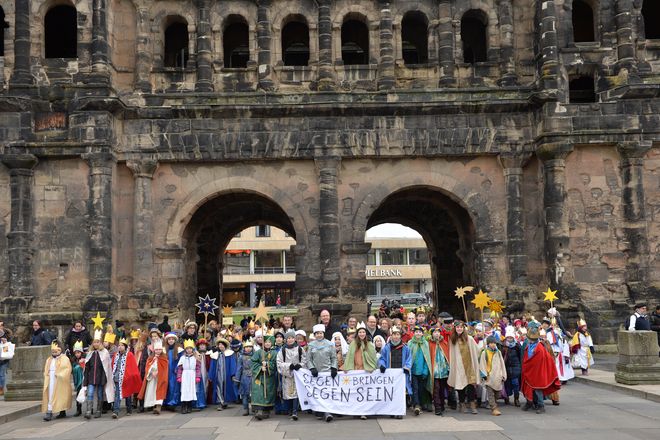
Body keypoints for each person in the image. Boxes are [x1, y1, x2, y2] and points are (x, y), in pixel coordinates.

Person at [521, 322, 561, 414]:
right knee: (528, 388)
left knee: (538, 389)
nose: (530, 340)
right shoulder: (528, 346)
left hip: (538, 372)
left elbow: (540, 361)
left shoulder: (540, 348)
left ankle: (541, 405)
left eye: (532, 339)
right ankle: (529, 402)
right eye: (530, 338)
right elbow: (526, 358)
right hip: (529, 371)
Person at [448, 321, 481, 414]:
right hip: (458, 365)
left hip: (469, 364)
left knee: (470, 385)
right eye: (457, 327)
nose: (459, 329)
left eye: (461, 327)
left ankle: (472, 403)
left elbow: (476, 350)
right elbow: (451, 353)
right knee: (460, 385)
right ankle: (462, 403)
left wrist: (483, 351)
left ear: (463, 328)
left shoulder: (469, 339)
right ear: (455, 328)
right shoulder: (452, 340)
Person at [306, 324, 338, 422]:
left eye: (320, 333)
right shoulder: (311, 345)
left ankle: (328, 412)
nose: (319, 335)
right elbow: (308, 359)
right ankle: (319, 410)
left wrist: (334, 368)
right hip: (317, 374)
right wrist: (312, 368)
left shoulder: (330, 344)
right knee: (318, 393)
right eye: (317, 333)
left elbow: (334, 358)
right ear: (314, 335)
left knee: (327, 393)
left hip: (327, 372)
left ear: (323, 333)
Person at [378, 326, 411, 419]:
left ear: (400, 336)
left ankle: (399, 411)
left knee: (400, 393)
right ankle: (392, 410)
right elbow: (382, 358)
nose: (396, 336)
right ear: (391, 336)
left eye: (397, 334)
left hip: (400, 375)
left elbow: (409, 359)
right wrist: (382, 365)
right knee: (391, 393)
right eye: (394, 334)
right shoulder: (387, 347)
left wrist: (406, 367)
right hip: (391, 374)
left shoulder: (405, 348)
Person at [277, 330, 307, 421]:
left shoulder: (299, 349)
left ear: (295, 339)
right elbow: (279, 363)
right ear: (286, 339)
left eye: (292, 338)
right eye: (288, 338)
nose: (290, 340)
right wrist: (289, 366)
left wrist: (300, 366)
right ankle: (290, 410)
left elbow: (304, 360)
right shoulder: (282, 350)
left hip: (297, 375)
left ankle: (295, 411)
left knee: (296, 393)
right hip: (287, 375)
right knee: (288, 393)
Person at [84, 329, 114, 419]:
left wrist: (104, 378)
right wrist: (85, 379)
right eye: (94, 342)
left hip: (100, 377)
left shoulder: (105, 353)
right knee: (90, 393)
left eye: (97, 342)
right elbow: (87, 367)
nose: (96, 344)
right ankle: (89, 410)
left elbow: (106, 367)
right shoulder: (90, 353)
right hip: (91, 377)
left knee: (100, 394)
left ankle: (98, 410)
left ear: (100, 343)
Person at [111, 338, 142, 418]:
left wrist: (129, 376)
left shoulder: (130, 355)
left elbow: (132, 367)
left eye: (122, 345)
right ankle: (116, 411)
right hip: (117, 378)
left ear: (125, 347)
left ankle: (129, 409)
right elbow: (113, 366)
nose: (120, 347)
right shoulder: (115, 355)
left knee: (127, 395)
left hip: (126, 379)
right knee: (117, 395)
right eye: (119, 345)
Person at [42, 340, 72, 421]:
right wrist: (46, 375)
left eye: (56, 351)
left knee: (61, 395)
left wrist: (60, 374)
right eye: (53, 351)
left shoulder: (64, 358)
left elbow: (67, 369)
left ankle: (62, 410)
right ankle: (49, 411)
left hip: (59, 379)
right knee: (51, 394)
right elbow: (46, 368)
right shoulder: (49, 359)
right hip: (50, 379)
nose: (54, 353)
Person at [138, 339, 169, 415]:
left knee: (160, 391)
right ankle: (152, 406)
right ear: (154, 350)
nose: (158, 351)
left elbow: (165, 369)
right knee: (152, 392)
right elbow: (147, 367)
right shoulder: (151, 358)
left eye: (159, 349)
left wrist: (158, 373)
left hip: (160, 378)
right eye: (156, 350)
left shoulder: (164, 358)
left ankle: (158, 407)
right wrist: (151, 372)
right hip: (152, 378)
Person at [251, 335, 278, 420]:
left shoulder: (274, 353)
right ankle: (258, 410)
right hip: (259, 376)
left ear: (272, 343)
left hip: (269, 378)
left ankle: (266, 410)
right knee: (259, 393)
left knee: (268, 393)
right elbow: (253, 362)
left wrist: (268, 365)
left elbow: (275, 364)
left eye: (269, 342)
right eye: (266, 342)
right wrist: (260, 368)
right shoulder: (258, 352)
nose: (267, 344)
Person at [408, 325, 433, 416]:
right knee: (415, 388)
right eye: (416, 332)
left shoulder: (425, 344)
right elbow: (408, 357)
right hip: (413, 371)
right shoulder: (410, 343)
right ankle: (416, 405)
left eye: (420, 332)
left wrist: (426, 370)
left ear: (422, 334)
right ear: (414, 333)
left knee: (422, 389)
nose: (418, 334)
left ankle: (422, 404)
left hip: (423, 371)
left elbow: (427, 358)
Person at [478, 335, 507, 416]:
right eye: (491, 343)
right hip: (489, 377)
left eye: (494, 343)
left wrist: (503, 374)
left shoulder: (498, 352)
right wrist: (484, 375)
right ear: (488, 344)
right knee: (490, 394)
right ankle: (494, 408)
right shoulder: (485, 352)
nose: (493, 344)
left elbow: (502, 364)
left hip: (497, 376)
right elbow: (482, 364)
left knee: (497, 394)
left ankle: (495, 404)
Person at [428, 326, 450, 416]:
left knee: (442, 389)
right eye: (435, 332)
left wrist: (449, 368)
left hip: (444, 371)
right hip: (435, 371)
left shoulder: (444, 343)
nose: (437, 334)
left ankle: (442, 405)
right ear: (432, 334)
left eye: (438, 332)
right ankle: (437, 407)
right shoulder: (429, 344)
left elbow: (447, 356)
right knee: (436, 389)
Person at [177, 339, 201, 414]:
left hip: (192, 375)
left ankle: (189, 406)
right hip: (185, 375)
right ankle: (183, 406)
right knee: (184, 390)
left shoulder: (195, 358)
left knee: (191, 390)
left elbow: (198, 368)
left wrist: (197, 377)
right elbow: (180, 368)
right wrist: (179, 377)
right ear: (185, 350)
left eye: (190, 348)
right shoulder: (182, 358)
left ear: (193, 349)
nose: (189, 350)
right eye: (187, 349)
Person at [501, 326, 522, 407]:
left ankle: (516, 399)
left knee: (516, 384)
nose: (509, 338)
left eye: (511, 337)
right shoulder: (503, 346)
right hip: (506, 368)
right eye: (508, 337)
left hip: (516, 367)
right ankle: (507, 398)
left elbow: (520, 357)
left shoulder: (517, 346)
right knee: (507, 385)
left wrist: (520, 367)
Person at [163, 332, 182, 410]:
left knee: (174, 387)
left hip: (174, 371)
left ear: (175, 340)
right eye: (169, 339)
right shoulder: (164, 350)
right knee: (167, 386)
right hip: (166, 371)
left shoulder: (179, 350)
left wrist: (177, 369)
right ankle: (166, 402)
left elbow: (181, 361)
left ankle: (173, 402)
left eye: (172, 339)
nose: (170, 341)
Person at [210, 338, 229, 410]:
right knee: (218, 387)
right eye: (219, 345)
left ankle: (225, 401)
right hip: (218, 374)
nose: (221, 346)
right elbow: (212, 366)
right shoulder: (215, 355)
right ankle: (221, 402)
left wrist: (233, 374)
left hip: (226, 374)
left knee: (225, 387)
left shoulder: (229, 354)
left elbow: (232, 364)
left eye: (222, 345)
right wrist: (210, 375)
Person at [236, 340, 254, 416]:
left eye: (250, 347)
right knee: (244, 394)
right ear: (244, 348)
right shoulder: (241, 357)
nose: (248, 348)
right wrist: (237, 378)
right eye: (247, 347)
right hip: (244, 377)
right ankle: (245, 409)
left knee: (253, 393)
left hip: (253, 376)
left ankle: (254, 407)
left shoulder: (255, 356)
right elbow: (239, 368)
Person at [70, 341, 85, 416]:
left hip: (84, 379)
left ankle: (90, 409)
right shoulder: (73, 360)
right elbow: (72, 370)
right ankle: (78, 409)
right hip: (77, 380)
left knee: (88, 394)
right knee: (78, 394)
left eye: (78, 352)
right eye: (75, 353)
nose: (77, 354)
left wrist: (82, 363)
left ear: (81, 352)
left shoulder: (85, 359)